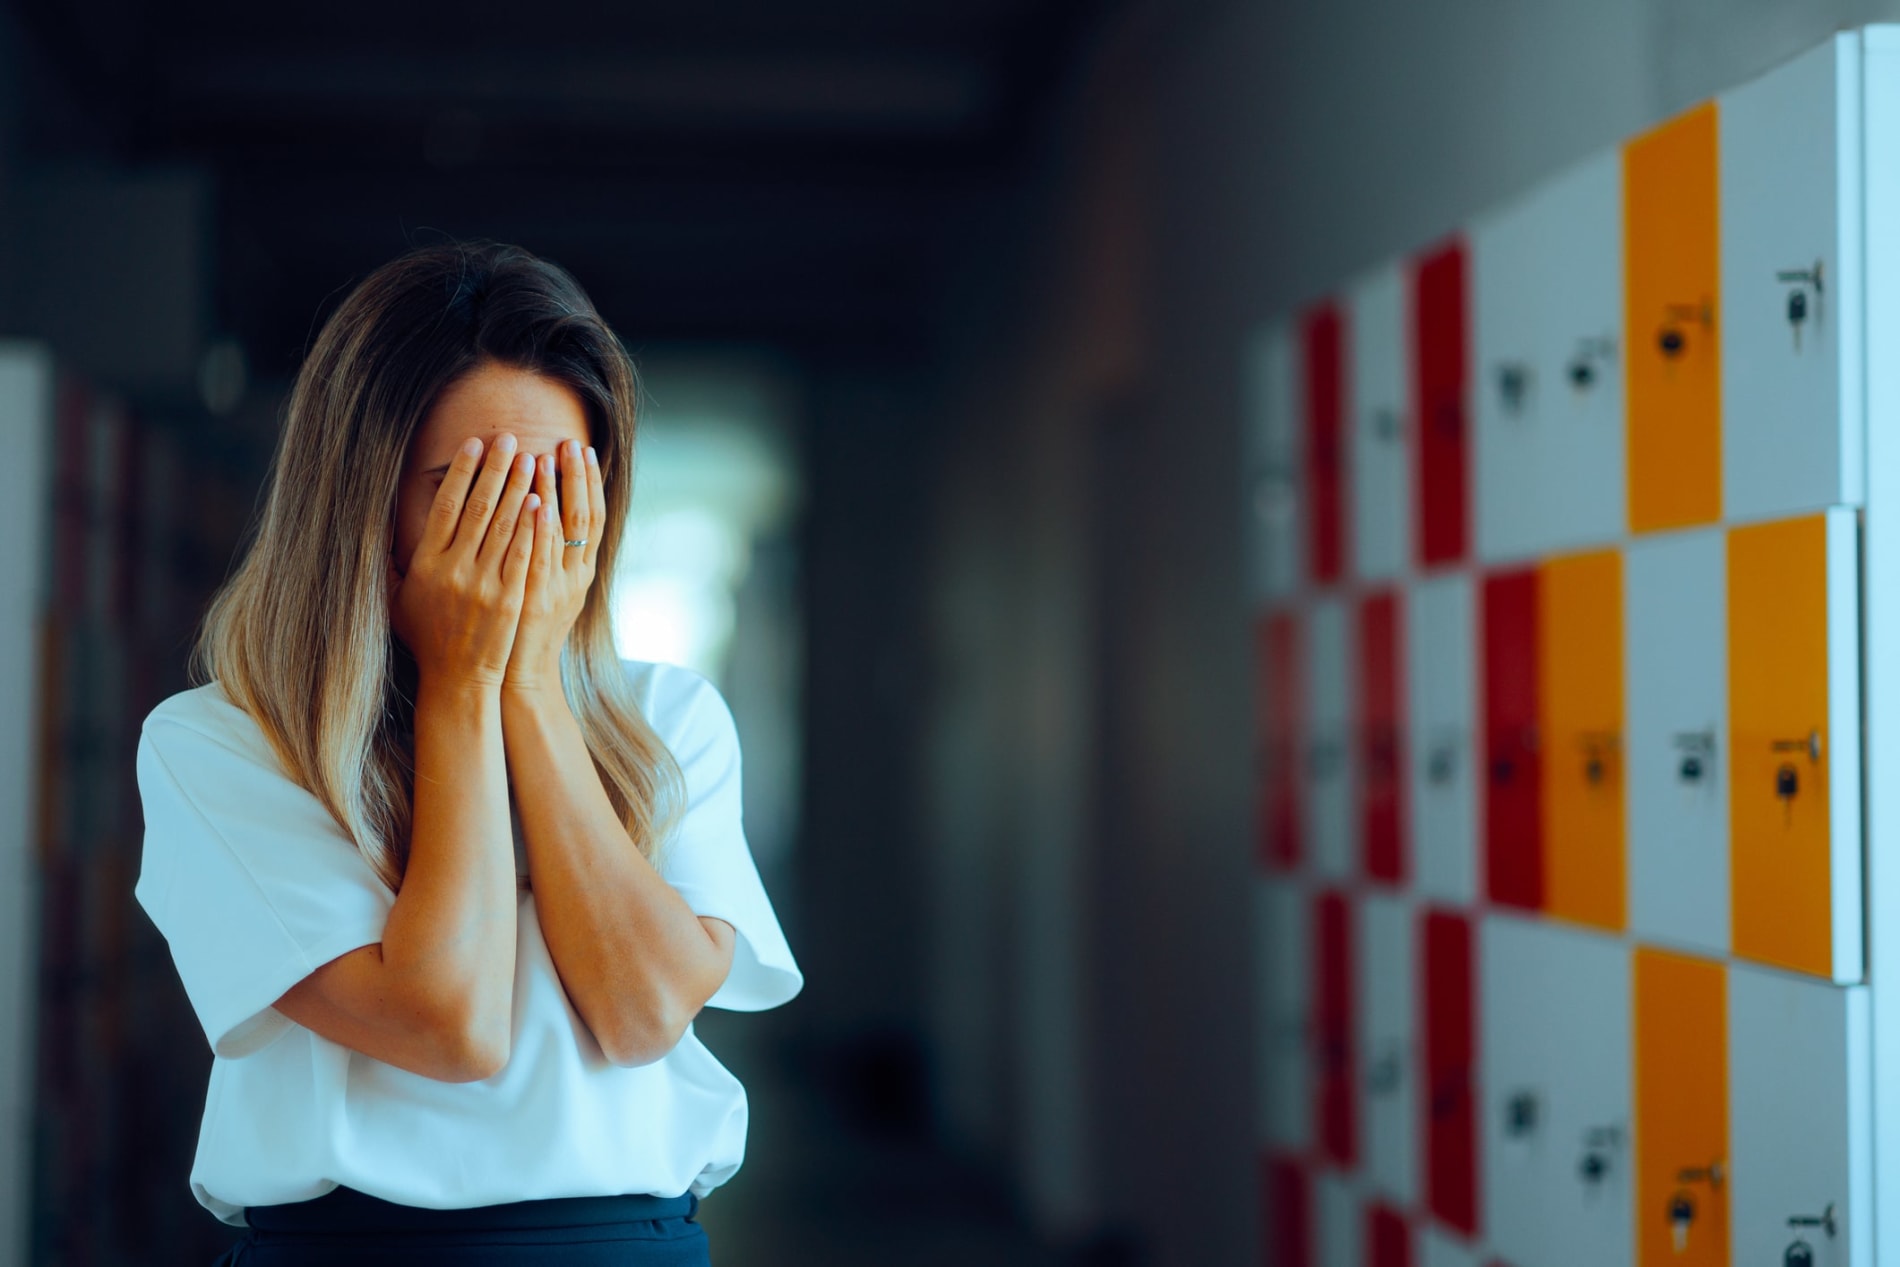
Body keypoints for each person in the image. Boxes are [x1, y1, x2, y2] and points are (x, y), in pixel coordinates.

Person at [132, 241, 802, 1265]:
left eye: (556, 487)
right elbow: (450, 1027)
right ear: (363, 504)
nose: (521, 534)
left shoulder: (671, 717)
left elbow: (644, 1012)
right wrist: (460, 683)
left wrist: (526, 684)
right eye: (472, 489)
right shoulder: (218, 745)